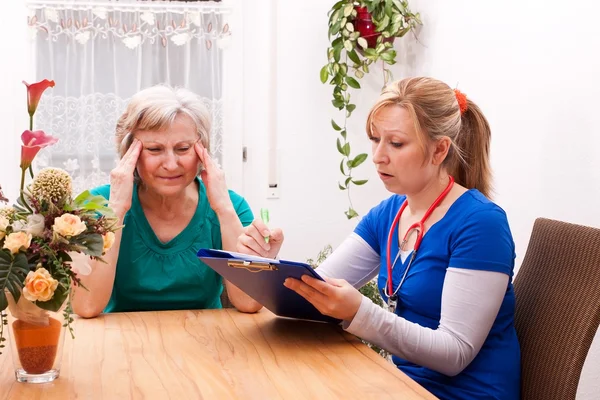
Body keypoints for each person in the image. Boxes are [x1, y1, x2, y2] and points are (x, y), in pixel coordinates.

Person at [237, 77, 520, 399]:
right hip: (399, 383)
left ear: (440, 149)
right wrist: (266, 263)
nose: (378, 156)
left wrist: (359, 312)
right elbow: (314, 295)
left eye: (396, 144)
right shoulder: (389, 214)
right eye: (375, 140)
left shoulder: (481, 224)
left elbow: (454, 354)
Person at [72, 85, 262, 317]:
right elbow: (87, 306)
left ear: (202, 151)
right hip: (121, 341)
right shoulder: (97, 204)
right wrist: (116, 211)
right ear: (129, 152)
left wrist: (223, 209)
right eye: (154, 149)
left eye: (183, 149)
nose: (171, 164)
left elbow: (250, 302)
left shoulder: (232, 206)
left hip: (207, 341)